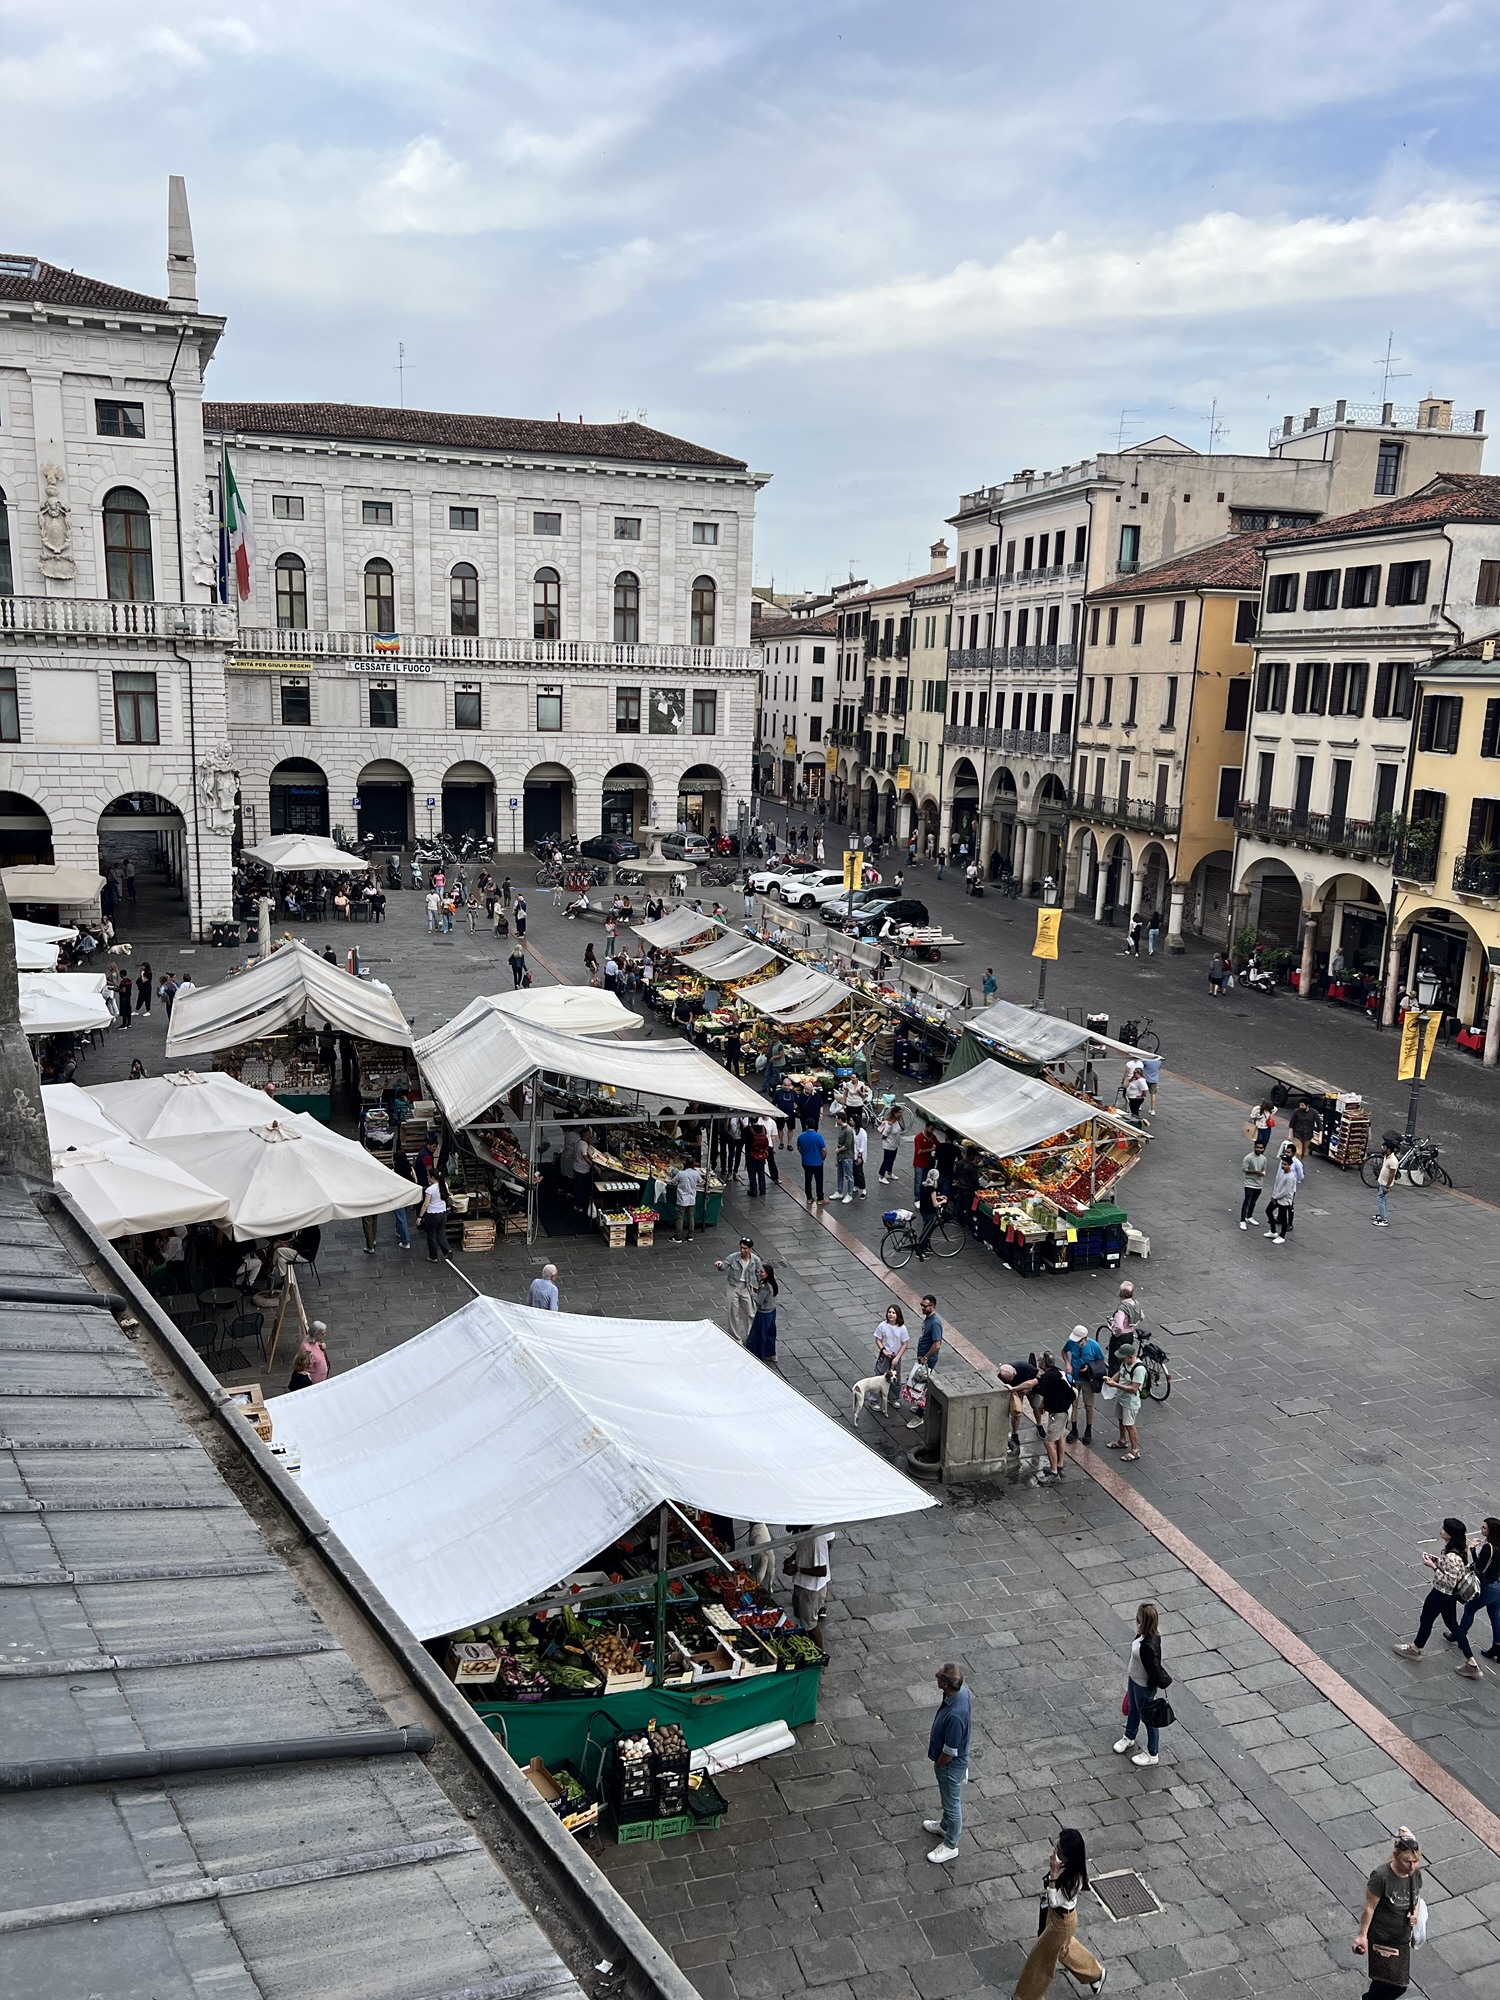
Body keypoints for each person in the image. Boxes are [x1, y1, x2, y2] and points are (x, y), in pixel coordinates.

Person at [1014, 1829, 1107, 1998]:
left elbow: (1054, 1901)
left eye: (1060, 1851)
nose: (1055, 1854)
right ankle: (1095, 1973)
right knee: (1063, 1949)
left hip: (1061, 1921)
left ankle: (1025, 1996)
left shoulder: (1073, 1879)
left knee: (1041, 1959)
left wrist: (1053, 1874)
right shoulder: (1067, 1868)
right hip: (1057, 1917)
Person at [1393, 1517, 1477, 1671]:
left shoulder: (1451, 1556)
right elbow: (1453, 1570)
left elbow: (1449, 1581)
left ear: (1450, 1534)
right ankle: (1471, 1661)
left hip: (1440, 1595)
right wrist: (1437, 1560)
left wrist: (1433, 1566)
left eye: (1444, 1528)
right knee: (1453, 1625)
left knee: (1426, 1619)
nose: (1441, 1529)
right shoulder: (1457, 1550)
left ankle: (1416, 1648)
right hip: (1449, 1598)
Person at [1352, 1828, 1424, 1999]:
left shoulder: (1414, 1874)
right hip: (1383, 1938)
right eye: (1407, 1861)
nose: (1412, 1866)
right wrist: (1362, 1936)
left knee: (1388, 1983)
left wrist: (1415, 1913)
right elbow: (1369, 1907)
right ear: (1396, 1856)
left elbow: (1417, 1896)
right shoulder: (1381, 1876)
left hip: (1402, 1939)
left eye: (1415, 1861)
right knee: (1394, 1985)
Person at [1113, 1600, 1169, 1767]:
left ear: (1142, 1619)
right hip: (1134, 1680)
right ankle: (1129, 1736)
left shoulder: (1148, 1645)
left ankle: (1152, 1753)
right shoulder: (1143, 1635)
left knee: (1149, 1719)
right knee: (1133, 1709)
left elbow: (1154, 1669)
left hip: (1143, 1685)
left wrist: (1151, 1687)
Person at [924, 1663, 970, 1864]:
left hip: (950, 1766)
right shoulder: (962, 1693)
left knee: (952, 1805)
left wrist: (940, 1764)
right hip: (951, 1764)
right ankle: (945, 1826)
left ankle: (951, 1845)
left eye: (938, 1676)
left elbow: (950, 1750)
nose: (936, 1678)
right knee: (947, 1800)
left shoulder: (955, 1715)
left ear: (944, 1683)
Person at [1456, 1517, 1500, 1664]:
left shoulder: (1489, 1547)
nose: (1481, 1529)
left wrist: (1472, 1549)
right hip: (1498, 1586)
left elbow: (1480, 1567)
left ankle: (1459, 1635)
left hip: (1489, 1586)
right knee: (1495, 1615)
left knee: (1469, 1608)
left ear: (1491, 1531)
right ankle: (1497, 1646)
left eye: (1484, 1528)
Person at [785, 1526, 832, 1652]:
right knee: (801, 1617)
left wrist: (798, 1569)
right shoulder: (802, 1529)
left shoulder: (817, 1540)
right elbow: (803, 1548)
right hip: (801, 1584)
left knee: (810, 1625)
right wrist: (791, 1558)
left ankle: (820, 1653)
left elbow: (822, 1571)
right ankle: (806, 1644)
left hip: (811, 1589)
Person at [1034, 1351, 1077, 1483]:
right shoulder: (1057, 1372)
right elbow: (1051, 1392)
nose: (1038, 1362)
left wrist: (1014, 1388)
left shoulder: (1047, 1377)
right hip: (1066, 1408)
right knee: (1061, 1436)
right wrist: (1043, 1403)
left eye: (1039, 1360)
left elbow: (1033, 1385)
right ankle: (1059, 1465)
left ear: (1043, 1364)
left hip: (1058, 1413)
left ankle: (1054, 1473)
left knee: (1048, 1442)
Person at [1062, 1323, 1106, 1444]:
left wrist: (1089, 1367)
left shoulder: (1094, 1346)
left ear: (1085, 1338)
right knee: (1073, 1404)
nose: (1076, 1342)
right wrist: (1068, 1363)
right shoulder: (1071, 1342)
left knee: (1088, 1406)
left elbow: (1100, 1361)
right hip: (1074, 1378)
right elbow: (1064, 1352)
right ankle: (1074, 1429)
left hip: (1088, 1380)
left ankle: (1088, 1430)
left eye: (1079, 1340)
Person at [715, 1237, 764, 1342]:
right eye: (741, 1248)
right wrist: (719, 1265)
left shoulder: (755, 1260)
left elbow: (759, 1274)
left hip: (747, 1287)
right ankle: (736, 1338)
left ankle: (751, 1337)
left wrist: (760, 1288)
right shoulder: (733, 1257)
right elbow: (724, 1266)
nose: (742, 1250)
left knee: (751, 1312)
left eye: (745, 1248)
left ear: (750, 1249)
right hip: (734, 1286)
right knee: (733, 1312)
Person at [1105, 1341, 1146, 1460]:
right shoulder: (1125, 1363)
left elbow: (1134, 1388)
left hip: (1130, 1401)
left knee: (1129, 1425)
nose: (1121, 1360)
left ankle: (1135, 1450)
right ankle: (1122, 1440)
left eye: (1123, 1357)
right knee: (1121, 1419)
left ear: (1130, 1356)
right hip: (1121, 1397)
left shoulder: (1139, 1369)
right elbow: (1121, 1372)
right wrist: (1111, 1380)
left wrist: (1115, 1385)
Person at [1266, 1141, 1304, 1244]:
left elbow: (1287, 1191)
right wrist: (1274, 1193)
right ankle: (1273, 1230)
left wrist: (1276, 1196)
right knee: (1268, 1211)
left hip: (1283, 1198)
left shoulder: (1292, 1175)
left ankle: (1282, 1235)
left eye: (1285, 1164)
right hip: (1277, 1194)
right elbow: (1278, 1180)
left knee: (1284, 1216)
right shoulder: (1283, 1169)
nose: (1283, 1166)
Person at [745, 1263, 779, 1362]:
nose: (760, 1273)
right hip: (771, 1312)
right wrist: (757, 1290)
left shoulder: (765, 1286)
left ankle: (759, 1354)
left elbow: (759, 1301)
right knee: (770, 1334)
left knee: (759, 1334)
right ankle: (771, 1353)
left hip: (763, 1314)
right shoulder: (772, 1284)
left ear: (767, 1274)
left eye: (762, 1272)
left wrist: (752, 1293)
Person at [287, 1322, 330, 1393]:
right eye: (322, 1333)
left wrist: (322, 1347)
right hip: (314, 1382)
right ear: (316, 1334)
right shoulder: (306, 1348)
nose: (324, 1335)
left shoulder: (316, 1342)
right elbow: (303, 1364)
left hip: (321, 1379)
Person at [873, 1303, 909, 1380]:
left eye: (893, 1313)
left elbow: (905, 1344)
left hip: (895, 1356)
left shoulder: (902, 1328)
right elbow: (878, 1339)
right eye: (889, 1312)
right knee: (880, 1376)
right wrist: (883, 1350)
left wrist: (897, 1357)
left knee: (895, 1377)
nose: (891, 1314)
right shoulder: (882, 1325)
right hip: (885, 1354)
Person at [670, 1154, 702, 1240]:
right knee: (691, 1217)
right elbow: (700, 1181)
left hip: (682, 1199)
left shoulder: (681, 1174)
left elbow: (672, 1181)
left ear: (685, 1163)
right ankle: (690, 1235)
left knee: (679, 1218)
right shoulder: (696, 1173)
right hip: (691, 1198)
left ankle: (678, 1236)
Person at [1240, 1135, 1268, 1229]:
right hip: (1249, 1183)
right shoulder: (1248, 1157)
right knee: (1247, 1201)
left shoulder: (1264, 1159)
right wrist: (1256, 1172)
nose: (1259, 1149)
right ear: (1254, 1147)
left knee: (1253, 1202)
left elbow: (1264, 1169)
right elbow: (1244, 1169)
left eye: (1261, 1148)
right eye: (1258, 1147)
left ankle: (1249, 1216)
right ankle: (1242, 1220)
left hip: (1259, 1184)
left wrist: (1262, 1173)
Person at [418, 1176, 450, 1261]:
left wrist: (420, 1216)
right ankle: (447, 1250)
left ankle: (433, 1256)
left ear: (432, 1177)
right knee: (440, 1233)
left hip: (432, 1214)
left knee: (431, 1235)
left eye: (429, 1176)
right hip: (443, 1213)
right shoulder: (444, 1185)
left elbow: (426, 1204)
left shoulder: (430, 1189)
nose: (427, 1178)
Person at [797, 1122, 826, 1205]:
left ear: (806, 1126)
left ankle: (809, 1198)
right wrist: (822, 1158)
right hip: (817, 1162)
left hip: (806, 1162)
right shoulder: (819, 1137)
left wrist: (803, 1154)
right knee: (819, 1181)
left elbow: (799, 1147)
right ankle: (820, 1198)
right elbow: (824, 1150)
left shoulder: (801, 1136)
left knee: (808, 1180)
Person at [1374, 1142, 1399, 1227]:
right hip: (1381, 1181)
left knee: (1380, 1199)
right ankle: (1382, 1214)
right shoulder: (1386, 1156)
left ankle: (1384, 1220)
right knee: (1383, 1199)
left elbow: (1392, 1175)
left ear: (1388, 1149)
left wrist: (1387, 1187)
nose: (1382, 1148)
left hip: (1385, 1184)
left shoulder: (1393, 1161)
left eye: (1384, 1147)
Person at [745, 1116, 771, 1198]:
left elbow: (744, 1140)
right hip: (761, 1154)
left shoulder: (747, 1130)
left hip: (751, 1154)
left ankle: (754, 1191)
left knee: (752, 1173)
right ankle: (762, 1189)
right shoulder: (763, 1128)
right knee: (761, 1172)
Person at [877, 1105, 903, 1184]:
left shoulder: (896, 1121)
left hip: (894, 1144)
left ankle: (889, 1173)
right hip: (889, 1145)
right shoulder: (889, 1124)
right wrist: (888, 1140)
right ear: (894, 1113)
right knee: (886, 1160)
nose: (900, 1114)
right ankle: (881, 1176)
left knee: (892, 1159)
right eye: (899, 1113)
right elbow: (884, 1135)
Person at [834, 1113, 855, 1202]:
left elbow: (847, 1144)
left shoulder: (848, 1131)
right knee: (840, 1174)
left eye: (836, 1118)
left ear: (840, 1119)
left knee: (849, 1176)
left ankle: (849, 1194)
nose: (835, 1120)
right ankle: (839, 1191)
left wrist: (838, 1150)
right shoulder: (842, 1129)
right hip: (841, 1156)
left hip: (846, 1156)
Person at [1288, 1096, 1317, 1160]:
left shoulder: (1314, 1113)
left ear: (1307, 1105)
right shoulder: (1296, 1111)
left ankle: (1299, 1163)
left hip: (1308, 1136)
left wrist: (1320, 1137)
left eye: (1302, 1105)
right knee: (1298, 1152)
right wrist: (1290, 1135)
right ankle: (1295, 1163)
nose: (1301, 1107)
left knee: (1304, 1153)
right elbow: (1291, 1123)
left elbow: (1319, 1125)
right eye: (1300, 1105)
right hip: (1297, 1135)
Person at [851, 1118, 868, 1198]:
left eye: (851, 1120)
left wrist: (859, 1156)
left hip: (859, 1155)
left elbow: (862, 1145)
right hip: (853, 1154)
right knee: (854, 1171)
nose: (850, 1122)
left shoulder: (862, 1132)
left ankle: (864, 1189)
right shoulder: (852, 1130)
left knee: (859, 1172)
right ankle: (855, 1186)